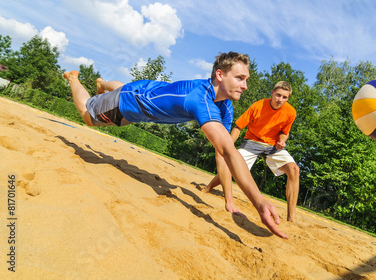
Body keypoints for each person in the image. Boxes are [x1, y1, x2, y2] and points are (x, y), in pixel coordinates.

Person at [63, 52, 288, 239]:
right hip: (130, 102)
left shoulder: (224, 106)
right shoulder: (199, 99)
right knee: (89, 116)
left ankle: (102, 83)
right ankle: (74, 78)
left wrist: (229, 201)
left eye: (246, 79)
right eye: (240, 78)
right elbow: (229, 152)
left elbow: (223, 153)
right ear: (220, 75)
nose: (245, 85)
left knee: (127, 87)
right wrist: (259, 202)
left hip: (145, 98)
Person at [203, 81, 300, 222]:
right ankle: (208, 187)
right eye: (278, 95)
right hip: (252, 142)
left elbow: (284, 133)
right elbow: (238, 127)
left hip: (273, 146)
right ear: (272, 93)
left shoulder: (291, 112)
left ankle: (291, 219)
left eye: (285, 97)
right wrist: (227, 145)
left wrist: (282, 140)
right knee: (232, 167)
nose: (280, 99)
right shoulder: (258, 106)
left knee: (294, 170)